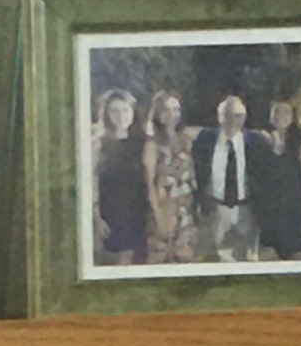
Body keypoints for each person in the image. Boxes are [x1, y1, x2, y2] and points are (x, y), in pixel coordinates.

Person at [192, 91, 267, 262]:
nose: (232, 121)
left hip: (246, 208)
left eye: (238, 116)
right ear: (219, 117)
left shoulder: (256, 142)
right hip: (216, 208)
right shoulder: (205, 139)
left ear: (244, 118)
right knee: (217, 259)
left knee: (250, 259)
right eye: (227, 115)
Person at [90, 89, 148, 263]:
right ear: (106, 114)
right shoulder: (98, 144)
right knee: (122, 260)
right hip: (113, 212)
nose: (121, 116)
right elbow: (91, 181)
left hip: (140, 211)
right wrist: (96, 217)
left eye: (125, 110)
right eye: (114, 111)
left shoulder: (142, 142)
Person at [142, 88, 198, 263]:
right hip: (164, 210)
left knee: (185, 259)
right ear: (158, 113)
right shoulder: (152, 145)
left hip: (185, 211)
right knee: (161, 259)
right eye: (166, 109)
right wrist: (159, 218)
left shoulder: (185, 140)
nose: (172, 114)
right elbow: (149, 184)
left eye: (176, 109)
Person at [257, 96, 301, 258]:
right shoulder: (264, 142)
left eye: (285, 111)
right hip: (271, 210)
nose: (280, 115)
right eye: (276, 111)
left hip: (292, 211)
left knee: (290, 255)